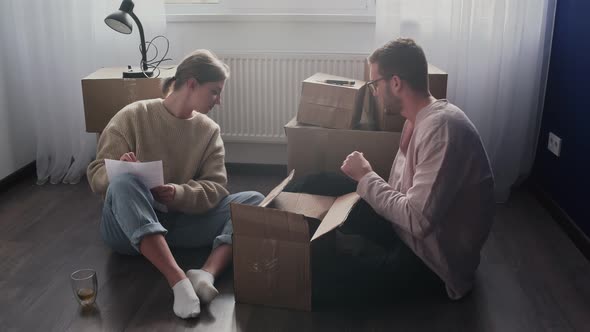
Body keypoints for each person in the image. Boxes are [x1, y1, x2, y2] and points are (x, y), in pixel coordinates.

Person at [288, 38, 495, 302]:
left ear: (395, 83)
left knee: (312, 277)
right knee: (317, 182)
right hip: (404, 230)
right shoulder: (416, 120)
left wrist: (366, 176)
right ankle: (260, 226)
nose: (374, 92)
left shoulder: (442, 129)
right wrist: (363, 180)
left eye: (375, 84)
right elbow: (400, 198)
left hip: (431, 259)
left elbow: (418, 221)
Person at [87, 49, 264, 319]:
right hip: (125, 231)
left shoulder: (208, 131)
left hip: (178, 225)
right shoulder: (132, 116)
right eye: (215, 91)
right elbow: (96, 174)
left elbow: (216, 187)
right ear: (191, 83)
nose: (219, 101)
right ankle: (177, 279)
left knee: (252, 199)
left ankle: (205, 274)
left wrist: (177, 193)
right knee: (124, 182)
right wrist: (120, 170)